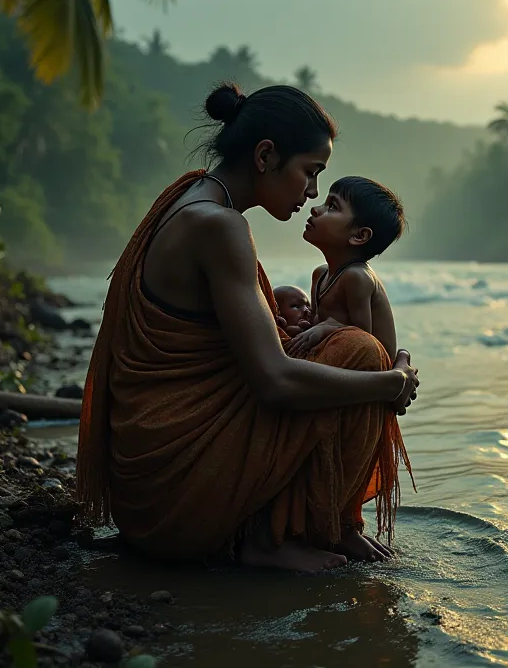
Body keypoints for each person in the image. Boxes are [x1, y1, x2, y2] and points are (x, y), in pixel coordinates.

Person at [76, 82, 419, 573]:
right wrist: (390, 382)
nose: (312, 193)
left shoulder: (191, 195)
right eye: (310, 172)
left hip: (146, 490)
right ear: (265, 156)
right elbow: (274, 380)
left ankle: (309, 526)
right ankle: (273, 537)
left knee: (340, 350)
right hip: (175, 500)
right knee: (362, 352)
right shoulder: (219, 225)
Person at [286, 177, 404, 361]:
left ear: (360, 235)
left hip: (368, 368)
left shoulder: (357, 277)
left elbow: (361, 338)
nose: (315, 209)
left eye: (332, 206)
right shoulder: (320, 274)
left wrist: (327, 327)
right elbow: (317, 323)